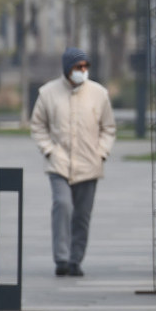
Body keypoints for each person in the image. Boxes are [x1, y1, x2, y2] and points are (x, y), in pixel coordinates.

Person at [29, 47, 116, 278]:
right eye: (79, 67)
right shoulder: (48, 93)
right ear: (68, 69)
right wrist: (49, 150)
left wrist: (102, 153)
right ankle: (61, 258)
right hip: (59, 163)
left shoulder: (99, 94)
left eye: (86, 67)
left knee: (82, 216)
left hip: (89, 165)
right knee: (63, 206)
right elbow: (37, 125)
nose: (83, 71)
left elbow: (108, 128)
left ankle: (76, 260)